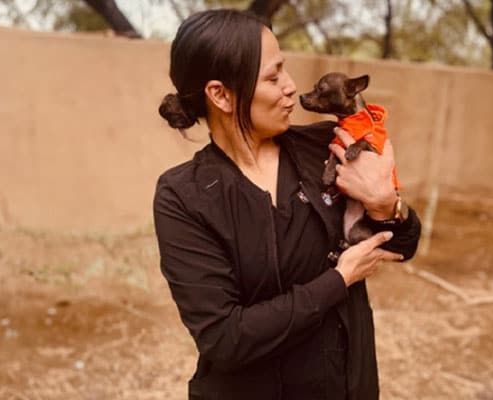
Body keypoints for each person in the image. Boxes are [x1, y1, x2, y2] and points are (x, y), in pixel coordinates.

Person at [154, 9, 421, 400]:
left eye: (286, 70)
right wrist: (338, 280)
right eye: (273, 76)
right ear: (221, 94)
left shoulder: (328, 146)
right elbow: (225, 340)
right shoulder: (184, 195)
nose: (291, 87)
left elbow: (403, 245)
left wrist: (385, 204)